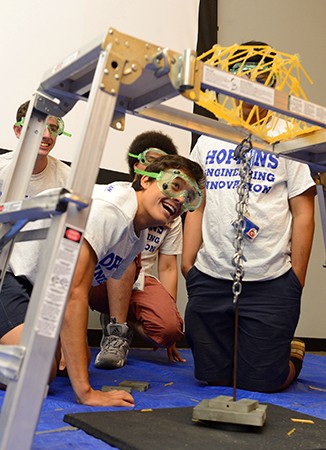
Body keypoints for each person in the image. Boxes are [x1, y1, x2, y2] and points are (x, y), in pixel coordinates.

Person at [1, 147, 205, 407]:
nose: (178, 199)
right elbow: (73, 291)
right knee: (37, 372)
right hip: (8, 275)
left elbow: (80, 285)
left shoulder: (136, 234)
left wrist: (67, 342)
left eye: (188, 197)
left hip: (38, 292)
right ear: (145, 180)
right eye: (173, 186)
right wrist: (85, 392)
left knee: (73, 361)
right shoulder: (111, 211)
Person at [182, 41, 316, 393]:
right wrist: (188, 264)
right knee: (214, 377)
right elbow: (198, 200)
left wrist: (296, 279)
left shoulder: (290, 138)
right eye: (244, 79)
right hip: (211, 275)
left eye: (261, 79)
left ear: (272, 84)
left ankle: (291, 355)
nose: (252, 88)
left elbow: (303, 210)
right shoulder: (210, 138)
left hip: (271, 279)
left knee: (262, 383)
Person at [89, 131, 186, 370]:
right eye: (150, 160)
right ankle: (116, 333)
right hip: (100, 278)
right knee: (127, 250)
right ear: (138, 169)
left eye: (163, 165)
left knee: (169, 330)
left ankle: (122, 318)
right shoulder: (115, 200)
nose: (155, 166)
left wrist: (168, 313)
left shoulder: (171, 214)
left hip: (140, 283)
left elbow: (167, 266)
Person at [0, 100, 71, 385]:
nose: (47, 135)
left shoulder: (66, 175)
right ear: (18, 131)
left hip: (38, 280)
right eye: (39, 126)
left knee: (51, 367)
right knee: (35, 372)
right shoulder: (3, 170)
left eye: (54, 128)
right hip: (4, 275)